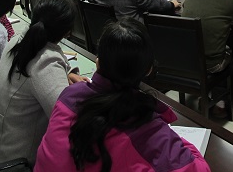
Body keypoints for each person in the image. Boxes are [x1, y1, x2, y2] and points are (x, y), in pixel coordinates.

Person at [35, 18, 211, 172]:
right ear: (148, 70)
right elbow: (200, 168)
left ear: (98, 62)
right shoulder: (147, 129)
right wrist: (175, 139)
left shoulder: (69, 95)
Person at [0, 0, 88, 167]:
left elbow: (44, 64)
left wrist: (66, 72)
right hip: (18, 161)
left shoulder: (19, 40)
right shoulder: (45, 62)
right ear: (68, 31)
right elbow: (67, 120)